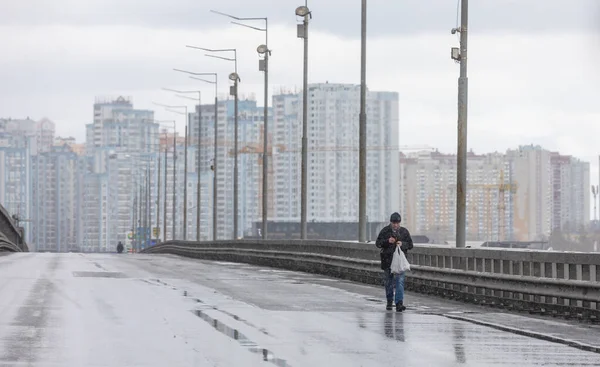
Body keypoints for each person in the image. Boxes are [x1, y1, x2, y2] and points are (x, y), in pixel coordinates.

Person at [376, 212, 413, 312]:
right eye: (394, 223)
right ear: (391, 222)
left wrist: (402, 244)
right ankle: (389, 301)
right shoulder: (385, 231)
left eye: (397, 223)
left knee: (400, 282)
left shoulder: (404, 232)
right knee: (389, 282)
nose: (395, 225)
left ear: (400, 222)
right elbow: (378, 243)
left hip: (399, 262)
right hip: (387, 261)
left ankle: (399, 303)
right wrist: (388, 241)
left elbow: (410, 245)